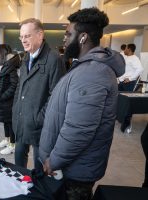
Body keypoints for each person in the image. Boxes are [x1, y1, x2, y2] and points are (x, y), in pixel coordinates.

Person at [39, 8, 125, 200]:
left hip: (75, 172)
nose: (64, 39)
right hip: (72, 167)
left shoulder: (92, 73)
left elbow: (79, 129)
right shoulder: (86, 67)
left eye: (68, 34)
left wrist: (54, 160)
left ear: (83, 37)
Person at [12, 18, 65, 170]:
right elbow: (19, 87)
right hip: (21, 119)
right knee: (19, 160)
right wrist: (15, 109)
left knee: (39, 166)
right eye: (21, 37)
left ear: (40, 35)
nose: (23, 40)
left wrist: (39, 118)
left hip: (39, 125)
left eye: (27, 36)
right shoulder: (25, 57)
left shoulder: (54, 59)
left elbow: (56, 96)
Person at [0, 44, 20, 155]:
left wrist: (2, 96)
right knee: (5, 121)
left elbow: (14, 85)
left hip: (8, 100)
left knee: (10, 122)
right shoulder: (4, 64)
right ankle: (7, 139)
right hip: (4, 99)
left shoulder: (11, 65)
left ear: (3, 52)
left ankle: (12, 144)